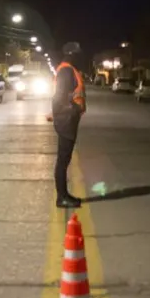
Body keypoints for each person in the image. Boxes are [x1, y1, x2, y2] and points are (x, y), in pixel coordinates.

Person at [51, 42, 86, 208]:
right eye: (77, 54)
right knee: (63, 161)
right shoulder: (66, 70)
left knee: (64, 160)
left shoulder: (67, 69)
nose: (79, 57)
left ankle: (64, 194)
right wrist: (71, 111)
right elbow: (59, 96)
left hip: (67, 119)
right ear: (71, 54)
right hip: (66, 120)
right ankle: (62, 197)